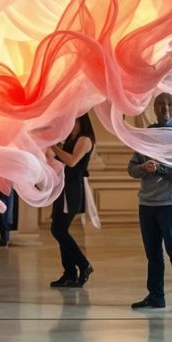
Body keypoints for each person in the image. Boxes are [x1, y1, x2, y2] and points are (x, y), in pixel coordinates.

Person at [128, 92, 172, 313]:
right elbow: (131, 169)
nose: (165, 108)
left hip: (169, 204)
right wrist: (143, 168)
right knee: (153, 254)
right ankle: (156, 296)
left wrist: (160, 169)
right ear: (153, 108)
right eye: (161, 104)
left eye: (169, 104)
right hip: (147, 204)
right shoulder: (147, 135)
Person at [47, 114, 95, 289]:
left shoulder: (85, 139)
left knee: (59, 230)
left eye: (73, 120)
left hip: (71, 190)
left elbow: (72, 161)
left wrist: (54, 146)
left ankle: (83, 265)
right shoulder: (71, 139)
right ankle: (69, 273)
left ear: (81, 121)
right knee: (60, 229)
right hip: (63, 188)